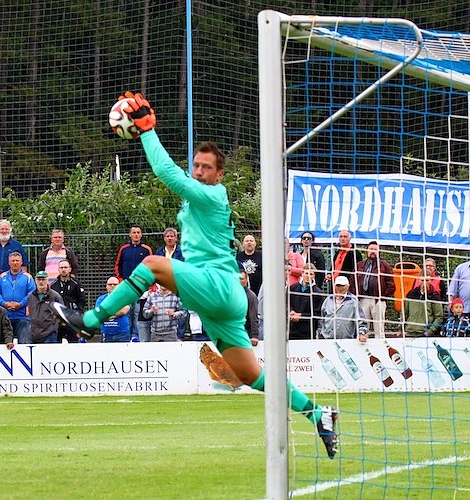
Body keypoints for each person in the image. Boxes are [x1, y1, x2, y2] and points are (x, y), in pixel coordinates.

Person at [51, 91, 339, 458]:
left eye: (206, 168)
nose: (199, 171)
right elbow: (177, 179)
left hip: (218, 287)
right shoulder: (196, 200)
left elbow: (165, 172)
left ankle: (91, 320)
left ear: (219, 175)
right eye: (197, 166)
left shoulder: (213, 195)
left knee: (153, 264)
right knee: (252, 376)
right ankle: (318, 413)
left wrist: (146, 131)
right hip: (223, 302)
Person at [114, 223, 154, 341]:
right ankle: (127, 335)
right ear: (130, 235)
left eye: (138, 233)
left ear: (141, 235)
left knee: (137, 312)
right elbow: (118, 265)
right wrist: (120, 280)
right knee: (126, 310)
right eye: (134, 233)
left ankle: (135, 336)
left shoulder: (146, 249)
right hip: (126, 287)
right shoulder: (124, 249)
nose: (136, 235)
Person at [354, 241, 395, 339]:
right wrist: (356, 296)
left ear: (379, 251)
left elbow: (391, 284)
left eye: (375, 249)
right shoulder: (360, 265)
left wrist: (383, 297)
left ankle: (381, 349)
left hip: (378, 300)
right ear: (367, 251)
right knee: (363, 328)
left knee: (379, 328)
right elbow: (353, 280)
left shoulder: (385, 266)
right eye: (371, 249)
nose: (373, 251)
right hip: (363, 300)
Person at [0, 251, 35, 344]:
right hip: (5, 315)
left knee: (24, 344)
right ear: (9, 262)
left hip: (23, 317)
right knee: (4, 344)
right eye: (13, 261)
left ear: (21, 262)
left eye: (17, 260)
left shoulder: (28, 277)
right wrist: (4, 303)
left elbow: (31, 293)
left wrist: (20, 304)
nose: (15, 263)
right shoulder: (2, 277)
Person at [317, 275, 368, 342]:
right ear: (334, 286)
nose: (340, 288)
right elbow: (321, 318)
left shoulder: (353, 300)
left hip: (347, 341)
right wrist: (320, 333)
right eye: (338, 286)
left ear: (347, 286)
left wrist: (362, 333)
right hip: (327, 340)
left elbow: (361, 319)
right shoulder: (328, 300)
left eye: (342, 286)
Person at [50, 259, 87, 343]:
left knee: (73, 344)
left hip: (72, 320)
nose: (63, 269)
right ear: (58, 269)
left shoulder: (76, 284)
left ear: (70, 269)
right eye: (61, 267)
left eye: (65, 267)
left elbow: (82, 301)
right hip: (58, 322)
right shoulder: (53, 285)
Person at [288, 263, 323, 340]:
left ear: (314, 276)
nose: (308, 276)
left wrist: (301, 315)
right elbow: (287, 303)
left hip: (308, 332)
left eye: (311, 274)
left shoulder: (318, 292)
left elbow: (317, 314)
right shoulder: (293, 288)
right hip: (292, 330)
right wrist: (291, 311)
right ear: (302, 273)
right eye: (306, 273)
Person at [27, 271, 64, 344]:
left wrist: (54, 328)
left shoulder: (55, 296)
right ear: (35, 280)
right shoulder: (30, 296)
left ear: (47, 280)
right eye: (39, 279)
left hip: (49, 335)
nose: (41, 282)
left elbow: (61, 315)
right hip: (33, 334)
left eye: (43, 279)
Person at [325, 229, 363, 294]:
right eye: (341, 237)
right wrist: (329, 275)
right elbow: (333, 268)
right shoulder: (337, 253)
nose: (343, 239)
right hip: (334, 288)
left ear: (350, 238)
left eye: (345, 237)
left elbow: (358, 273)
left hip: (347, 289)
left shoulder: (355, 253)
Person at [95, 277, 132, 342]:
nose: (112, 286)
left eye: (115, 284)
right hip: (106, 333)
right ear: (106, 286)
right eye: (110, 284)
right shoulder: (101, 299)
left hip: (122, 334)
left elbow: (124, 310)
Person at [238, 269, 260, 346]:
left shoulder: (251, 296)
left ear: (247, 280)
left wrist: (255, 336)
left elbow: (253, 317)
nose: (239, 281)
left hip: (247, 335)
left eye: (242, 279)